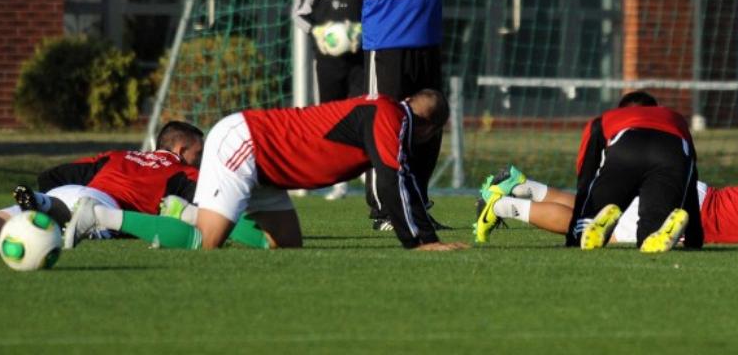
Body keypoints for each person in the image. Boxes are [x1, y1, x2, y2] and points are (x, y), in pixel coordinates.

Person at [63, 91, 469, 252]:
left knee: (287, 246)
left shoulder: (388, 112)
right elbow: (390, 177)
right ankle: (99, 216)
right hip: (249, 143)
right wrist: (419, 242)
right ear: (430, 127)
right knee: (203, 244)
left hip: (270, 166)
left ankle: (187, 211)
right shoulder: (389, 116)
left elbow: (397, 177)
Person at [347, 0, 484, 230]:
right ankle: (384, 211)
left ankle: (418, 203)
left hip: (428, 44)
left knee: (429, 124)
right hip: (387, 46)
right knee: (387, 127)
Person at [0, 121, 205, 241]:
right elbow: (207, 207)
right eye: (198, 153)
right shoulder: (184, 172)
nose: (200, 160)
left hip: (66, 191)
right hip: (99, 207)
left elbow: (51, 176)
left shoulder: (119, 155)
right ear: (180, 150)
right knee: (75, 219)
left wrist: (50, 194)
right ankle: (43, 206)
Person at [480, 91, 702, 253]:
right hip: (669, 153)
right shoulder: (675, 118)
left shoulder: (606, 119)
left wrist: (575, 235)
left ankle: (593, 225)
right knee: (649, 235)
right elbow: (690, 173)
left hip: (625, 150)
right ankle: (653, 235)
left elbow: (585, 177)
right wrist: (695, 237)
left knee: (590, 219)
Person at [475, 165, 738, 247]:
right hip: (690, 219)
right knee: (599, 228)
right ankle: (504, 206)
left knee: (597, 205)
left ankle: (524, 186)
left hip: (699, 191)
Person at [293, 0, 366, 201]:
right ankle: (339, 181)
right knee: (331, 116)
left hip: (359, 58)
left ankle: (364, 168)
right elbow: (300, 15)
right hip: (327, 62)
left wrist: (362, 33)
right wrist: (319, 33)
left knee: (361, 111)